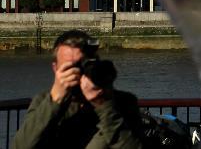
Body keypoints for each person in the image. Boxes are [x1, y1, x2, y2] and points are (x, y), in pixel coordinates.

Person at [13, 28, 144, 149]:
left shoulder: (122, 101)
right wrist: (55, 99)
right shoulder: (43, 101)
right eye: (70, 67)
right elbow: (20, 146)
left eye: (83, 65)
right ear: (56, 69)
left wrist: (103, 104)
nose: (77, 71)